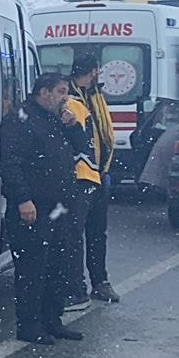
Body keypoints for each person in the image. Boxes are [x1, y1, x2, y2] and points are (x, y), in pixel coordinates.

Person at [0, 74, 88, 344]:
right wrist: (23, 198)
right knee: (33, 267)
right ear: (44, 92)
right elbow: (9, 164)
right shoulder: (20, 119)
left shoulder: (56, 119)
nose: (65, 97)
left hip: (59, 205)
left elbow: (81, 150)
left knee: (59, 264)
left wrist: (73, 127)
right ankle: (29, 324)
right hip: (33, 206)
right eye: (61, 91)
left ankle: (53, 319)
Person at [67, 53, 120, 304]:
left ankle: (100, 281)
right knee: (76, 234)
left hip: (98, 173)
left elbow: (104, 132)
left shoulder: (93, 95)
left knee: (98, 232)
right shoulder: (69, 98)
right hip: (80, 176)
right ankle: (77, 286)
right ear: (93, 70)